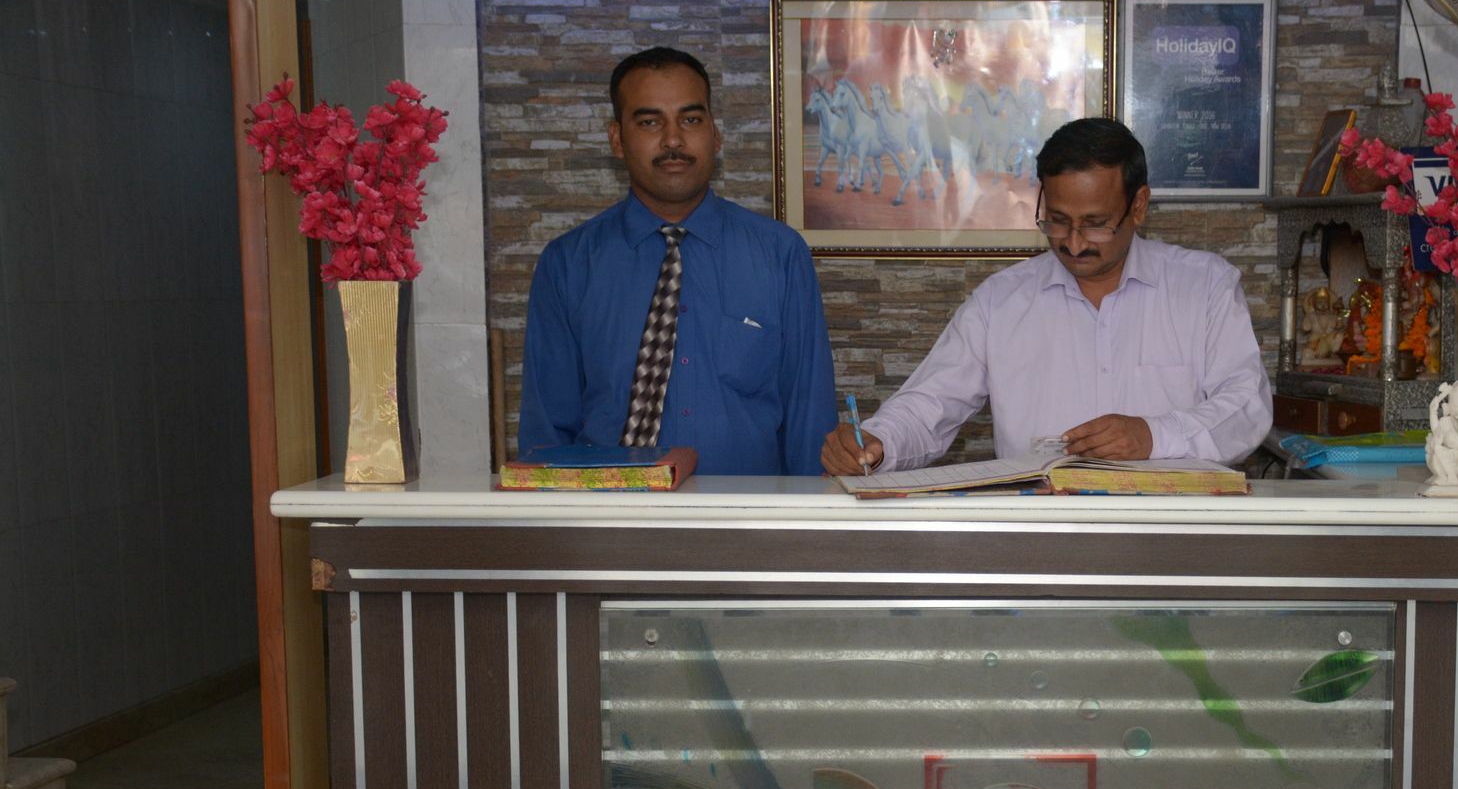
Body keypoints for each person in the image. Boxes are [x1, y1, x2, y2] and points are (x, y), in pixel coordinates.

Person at [821, 117, 1271, 476]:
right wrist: (879, 442)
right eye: (1057, 221)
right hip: (1039, 536)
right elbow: (931, 403)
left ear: (1138, 206)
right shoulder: (1001, 302)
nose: (1073, 243)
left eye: (1095, 224)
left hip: (1170, 535)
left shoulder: (1203, 287)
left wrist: (1154, 436)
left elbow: (1246, 407)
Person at [519, 47, 833, 474]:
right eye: (649, 122)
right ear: (617, 139)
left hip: (749, 511)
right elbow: (547, 432)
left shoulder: (780, 254)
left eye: (691, 119)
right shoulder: (568, 264)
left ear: (715, 135)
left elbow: (809, 418)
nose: (673, 140)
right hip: (608, 510)